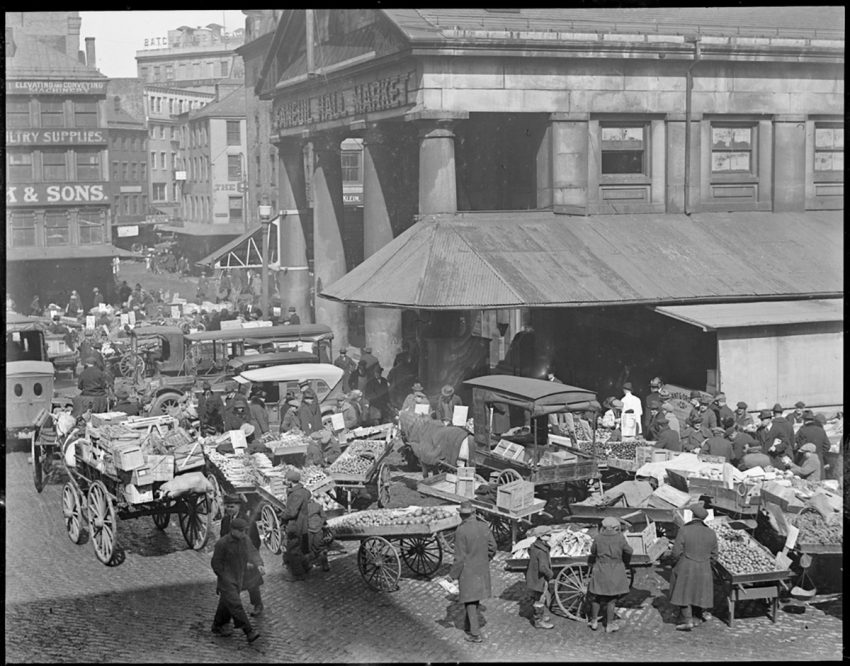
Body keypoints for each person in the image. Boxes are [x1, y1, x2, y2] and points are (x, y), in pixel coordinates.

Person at [445, 501, 497, 643]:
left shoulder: (461, 531)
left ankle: (475, 633)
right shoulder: (484, 526)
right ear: (473, 513)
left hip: (468, 572)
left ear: (461, 515)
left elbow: (459, 558)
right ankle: (469, 627)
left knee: (469, 602)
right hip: (481, 569)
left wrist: (452, 576)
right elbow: (493, 547)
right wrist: (485, 560)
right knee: (474, 599)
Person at [210, 517, 261, 642]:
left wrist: (259, 564)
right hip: (227, 581)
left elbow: (253, 552)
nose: (244, 533)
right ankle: (249, 632)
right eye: (241, 531)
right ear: (233, 530)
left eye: (244, 531)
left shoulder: (244, 539)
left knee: (226, 603)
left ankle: (217, 625)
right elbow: (216, 564)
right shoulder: (222, 543)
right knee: (236, 605)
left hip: (239, 577)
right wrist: (225, 578)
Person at [668, 504, 718, 631]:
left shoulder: (684, 530)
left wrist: (675, 563)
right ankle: (696, 618)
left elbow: (675, 552)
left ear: (692, 516)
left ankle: (687, 619)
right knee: (699, 592)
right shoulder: (711, 533)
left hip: (686, 565)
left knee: (683, 591)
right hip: (704, 567)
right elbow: (714, 555)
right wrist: (707, 565)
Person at [220, 495, 264, 617]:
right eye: (227, 506)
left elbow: (255, 541)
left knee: (252, 584)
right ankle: (229, 610)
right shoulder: (225, 520)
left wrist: (251, 561)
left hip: (246, 560)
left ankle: (258, 605)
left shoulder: (247, 521)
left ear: (238, 506)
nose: (229, 509)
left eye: (232, 506)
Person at [587, 517, 633, 633]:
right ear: (615, 527)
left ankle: (593, 622)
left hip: (600, 569)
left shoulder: (598, 538)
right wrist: (625, 560)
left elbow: (593, 551)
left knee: (596, 596)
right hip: (614, 569)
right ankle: (609, 625)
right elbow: (629, 551)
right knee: (611, 599)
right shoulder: (620, 538)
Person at [281, 469, 312, 581]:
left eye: (285, 479)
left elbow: (292, 512)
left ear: (290, 481)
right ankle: (306, 566)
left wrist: (282, 515)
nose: (284, 481)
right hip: (302, 523)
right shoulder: (303, 491)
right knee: (299, 548)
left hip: (295, 524)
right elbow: (308, 494)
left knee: (292, 549)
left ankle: (298, 574)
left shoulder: (296, 494)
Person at [524, 527, 555, 630]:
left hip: (534, 577)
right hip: (539, 579)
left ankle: (540, 617)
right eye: (548, 535)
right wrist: (550, 574)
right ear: (541, 537)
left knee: (538, 597)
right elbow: (543, 568)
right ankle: (539, 621)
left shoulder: (535, 546)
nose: (550, 537)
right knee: (540, 599)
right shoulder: (541, 551)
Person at [306, 496, 330, 572]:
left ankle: (307, 565)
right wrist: (320, 524)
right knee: (320, 547)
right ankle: (325, 565)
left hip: (309, 530)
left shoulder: (303, 508)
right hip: (318, 529)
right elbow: (324, 517)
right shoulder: (317, 505)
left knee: (307, 548)